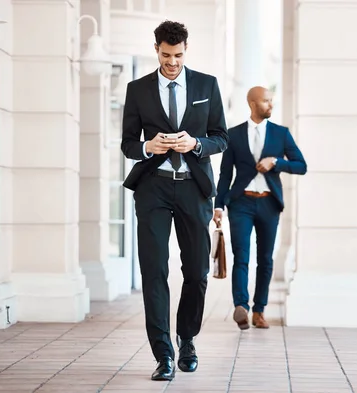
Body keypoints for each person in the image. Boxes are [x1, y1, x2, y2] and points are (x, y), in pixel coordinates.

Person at [120, 20, 228, 381]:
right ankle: (163, 354)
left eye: (178, 55)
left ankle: (187, 339)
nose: (172, 62)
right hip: (153, 186)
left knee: (196, 273)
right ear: (157, 49)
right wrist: (147, 146)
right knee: (154, 271)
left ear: (186, 49)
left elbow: (221, 138)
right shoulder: (137, 89)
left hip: (193, 186)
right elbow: (127, 143)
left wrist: (195, 144)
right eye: (166, 56)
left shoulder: (206, 85)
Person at [214, 86, 307, 330]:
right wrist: (219, 205)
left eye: (271, 101)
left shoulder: (281, 134)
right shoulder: (233, 135)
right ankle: (241, 307)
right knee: (241, 257)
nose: (271, 105)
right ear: (253, 103)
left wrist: (276, 162)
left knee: (265, 260)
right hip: (241, 202)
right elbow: (225, 175)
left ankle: (259, 310)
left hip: (269, 203)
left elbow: (301, 165)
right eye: (266, 101)